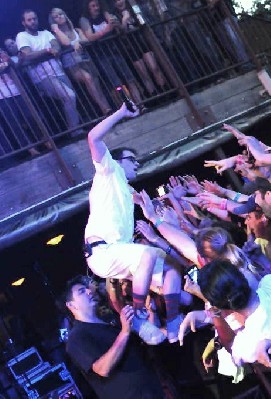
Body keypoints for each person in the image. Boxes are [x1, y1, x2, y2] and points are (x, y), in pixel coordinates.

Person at [84, 104, 183, 343]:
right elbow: (92, 137)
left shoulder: (126, 191)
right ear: (118, 161)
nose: (137, 164)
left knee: (172, 270)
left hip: (118, 253)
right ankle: (138, 314)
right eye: (133, 160)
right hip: (102, 251)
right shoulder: (109, 171)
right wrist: (121, 112)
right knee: (148, 254)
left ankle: (172, 324)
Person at [63, 277, 166, 399]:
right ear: (71, 305)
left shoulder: (110, 320)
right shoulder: (77, 337)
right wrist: (125, 332)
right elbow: (102, 369)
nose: (89, 291)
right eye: (81, 292)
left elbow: (148, 338)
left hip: (154, 390)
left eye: (87, 289)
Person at [0, 34, 41, 157]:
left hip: (16, 90)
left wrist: (8, 60)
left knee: (31, 116)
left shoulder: (1, 54)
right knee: (14, 123)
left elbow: (16, 67)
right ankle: (30, 148)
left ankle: (45, 140)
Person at [16, 9, 81, 136]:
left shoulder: (45, 33)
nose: (33, 21)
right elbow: (27, 55)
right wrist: (47, 51)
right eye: (29, 20)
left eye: (34, 18)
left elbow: (56, 46)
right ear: (24, 23)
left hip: (58, 70)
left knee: (71, 97)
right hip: (42, 76)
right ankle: (74, 130)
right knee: (69, 96)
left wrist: (53, 49)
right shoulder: (22, 36)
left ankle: (76, 127)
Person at [49, 8, 112, 116]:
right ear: (53, 21)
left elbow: (86, 40)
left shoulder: (76, 30)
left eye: (61, 14)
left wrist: (79, 42)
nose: (60, 17)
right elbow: (66, 42)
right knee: (88, 78)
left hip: (85, 59)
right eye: (56, 16)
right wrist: (56, 29)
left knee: (96, 85)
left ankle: (109, 110)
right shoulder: (56, 35)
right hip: (72, 64)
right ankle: (104, 109)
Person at [80, 0, 144, 106]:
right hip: (101, 55)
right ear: (88, 8)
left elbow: (119, 28)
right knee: (116, 84)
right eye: (93, 6)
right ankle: (128, 108)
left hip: (115, 50)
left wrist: (118, 24)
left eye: (97, 5)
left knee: (130, 79)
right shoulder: (85, 19)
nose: (96, 8)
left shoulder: (105, 14)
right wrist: (106, 29)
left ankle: (140, 104)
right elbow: (90, 37)